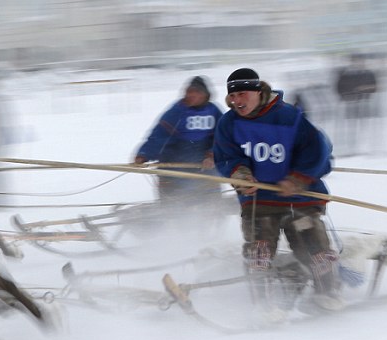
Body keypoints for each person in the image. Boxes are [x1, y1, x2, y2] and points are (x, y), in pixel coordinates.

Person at [212, 67, 343, 316]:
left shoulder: (289, 117)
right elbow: (227, 156)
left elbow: (317, 152)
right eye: (232, 96)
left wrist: (298, 178)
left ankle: (328, 293)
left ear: (257, 91)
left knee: (314, 249)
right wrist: (240, 175)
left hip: (301, 199)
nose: (236, 101)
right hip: (258, 200)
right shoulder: (228, 124)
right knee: (258, 254)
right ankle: (263, 306)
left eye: (242, 94)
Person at [133, 76, 224, 212]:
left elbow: (223, 137)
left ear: (205, 95)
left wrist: (212, 155)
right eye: (189, 92)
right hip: (174, 169)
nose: (191, 95)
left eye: (196, 92)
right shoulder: (177, 111)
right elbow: (159, 135)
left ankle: (211, 226)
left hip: (204, 170)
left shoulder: (214, 111)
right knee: (172, 209)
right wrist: (144, 154)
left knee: (210, 208)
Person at [334, 54, 378, 156]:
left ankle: (363, 148)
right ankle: (350, 148)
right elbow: (338, 87)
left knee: (364, 126)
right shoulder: (345, 74)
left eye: (359, 61)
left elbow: (375, 86)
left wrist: (367, 92)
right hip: (349, 103)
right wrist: (346, 96)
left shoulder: (368, 73)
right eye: (355, 61)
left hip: (364, 103)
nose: (358, 63)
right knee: (350, 127)